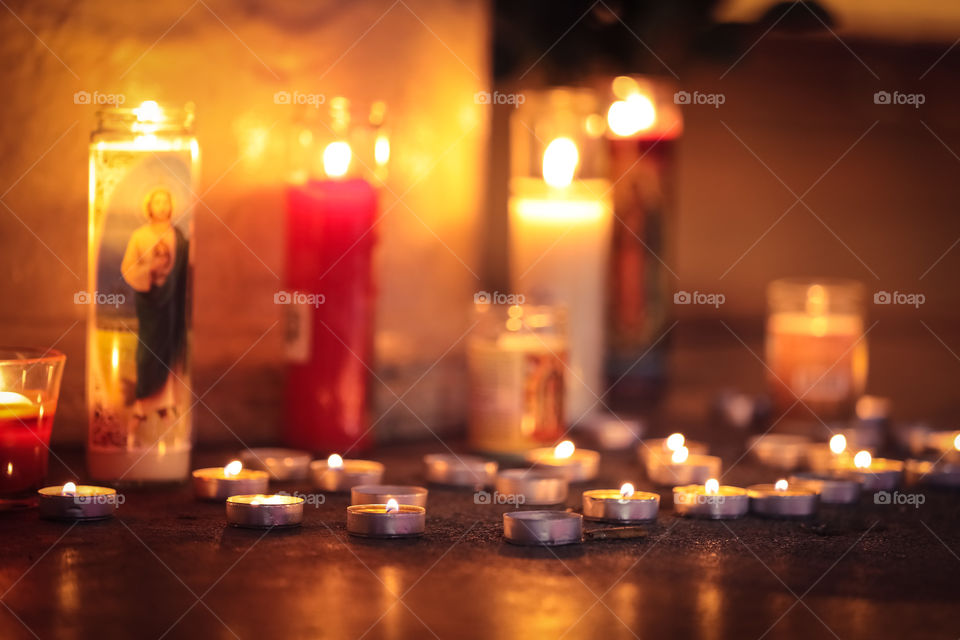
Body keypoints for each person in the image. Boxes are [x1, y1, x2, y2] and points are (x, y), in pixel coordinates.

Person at [120, 188, 189, 436]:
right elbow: (128, 268)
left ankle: (164, 405)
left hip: (172, 305)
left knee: (169, 352)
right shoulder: (140, 236)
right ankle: (142, 405)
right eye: (157, 202)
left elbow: (184, 272)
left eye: (165, 202)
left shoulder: (179, 238)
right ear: (149, 206)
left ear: (171, 206)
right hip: (150, 302)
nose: (161, 206)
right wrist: (150, 268)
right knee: (147, 354)